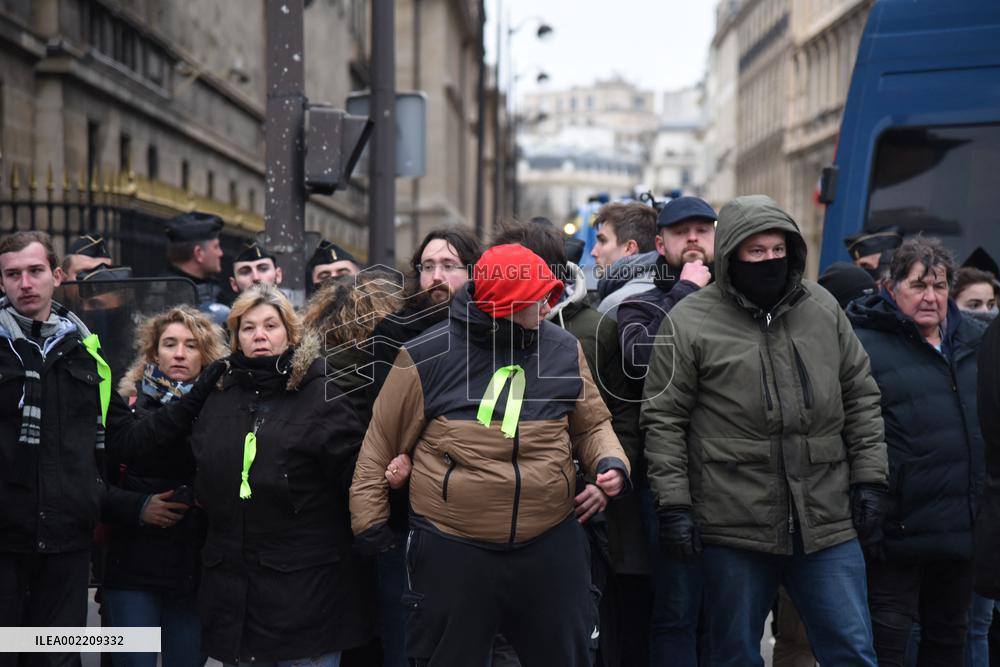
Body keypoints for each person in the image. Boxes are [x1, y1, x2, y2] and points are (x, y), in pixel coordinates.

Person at [350, 244, 630, 666]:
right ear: (505, 304)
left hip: (549, 540)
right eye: (536, 297)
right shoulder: (425, 354)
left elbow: (591, 425)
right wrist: (370, 524)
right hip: (453, 544)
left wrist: (610, 463)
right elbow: (380, 444)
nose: (547, 305)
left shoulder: (562, 348)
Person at [641, 195, 887, 666]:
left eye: (778, 249)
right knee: (734, 654)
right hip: (733, 523)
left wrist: (871, 479)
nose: (770, 260)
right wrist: (674, 505)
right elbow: (664, 419)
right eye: (756, 251)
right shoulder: (691, 319)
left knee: (852, 650)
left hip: (825, 518)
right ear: (731, 254)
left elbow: (861, 396)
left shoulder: (821, 307)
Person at [0, 231, 216, 667]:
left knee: (56, 657)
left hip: (66, 544)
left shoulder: (87, 354)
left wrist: (196, 397)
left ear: (57, 276)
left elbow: (121, 445)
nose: (25, 283)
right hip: (6, 540)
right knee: (8, 649)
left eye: (35, 271)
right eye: (13, 274)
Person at [188, 284, 375, 665]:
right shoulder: (219, 395)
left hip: (307, 593)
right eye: (248, 327)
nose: (259, 335)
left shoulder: (320, 394)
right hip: (235, 594)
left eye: (270, 326)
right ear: (236, 338)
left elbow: (356, 480)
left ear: (290, 334)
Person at [847, 236, 986, 666]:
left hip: (961, 530)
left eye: (940, 286)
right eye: (918, 285)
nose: (931, 297)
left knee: (949, 641)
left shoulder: (975, 341)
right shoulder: (863, 343)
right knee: (888, 646)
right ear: (891, 288)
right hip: (896, 532)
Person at [362, 226, 482, 667]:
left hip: (474, 509)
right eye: (427, 266)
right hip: (407, 509)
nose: (436, 276)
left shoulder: (492, 330)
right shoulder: (393, 331)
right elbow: (382, 417)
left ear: (473, 271)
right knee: (405, 631)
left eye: (449, 266)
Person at [611, 195, 716, 665]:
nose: (693, 239)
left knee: (727, 618)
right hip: (672, 487)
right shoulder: (640, 304)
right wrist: (687, 290)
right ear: (660, 244)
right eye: (680, 232)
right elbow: (642, 361)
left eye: (702, 230)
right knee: (676, 612)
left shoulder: (741, 303)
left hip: (738, 484)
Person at [102, 307, 227, 667]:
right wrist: (139, 507)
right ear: (154, 353)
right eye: (170, 344)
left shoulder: (223, 411)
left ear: (206, 355)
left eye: (191, 345)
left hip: (194, 572)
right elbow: (92, 485)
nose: (179, 354)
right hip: (132, 568)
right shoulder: (124, 405)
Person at [589, 202, 659, 316]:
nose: (593, 252)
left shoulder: (615, 304)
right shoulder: (672, 289)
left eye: (603, 241)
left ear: (629, 248)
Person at [163, 212, 226, 307]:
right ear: (199, 253)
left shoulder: (159, 290)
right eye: (216, 247)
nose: (221, 253)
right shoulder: (169, 296)